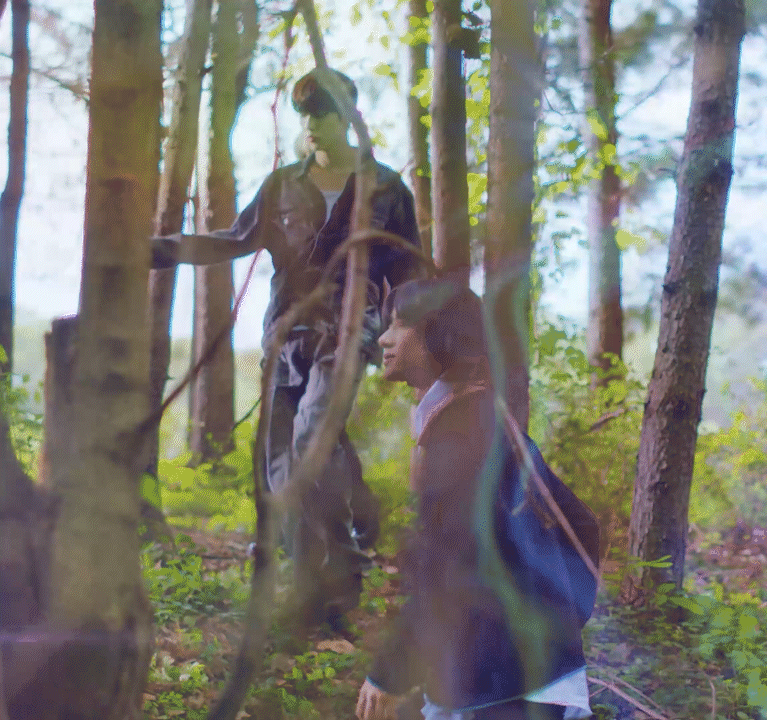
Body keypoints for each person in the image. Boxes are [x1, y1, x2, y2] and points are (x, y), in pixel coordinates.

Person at [152, 68, 423, 633]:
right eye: (304, 114)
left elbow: (408, 271)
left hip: (349, 334)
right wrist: (163, 249)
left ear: (347, 116)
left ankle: (337, 573)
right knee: (282, 473)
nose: (311, 124)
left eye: (322, 112)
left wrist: (407, 335)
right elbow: (233, 240)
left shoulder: (385, 187)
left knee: (310, 439)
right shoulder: (282, 186)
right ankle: (320, 579)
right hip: (285, 336)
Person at [356, 277, 600, 720]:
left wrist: (389, 673)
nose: (384, 338)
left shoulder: (459, 437)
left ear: (438, 334)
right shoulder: (483, 419)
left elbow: (444, 568)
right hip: (526, 681)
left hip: (499, 691)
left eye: (399, 324)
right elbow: (583, 526)